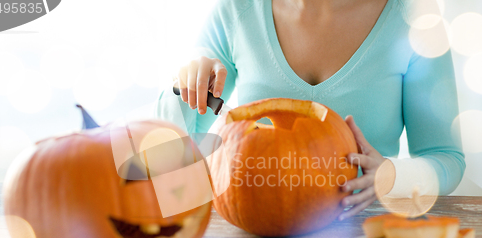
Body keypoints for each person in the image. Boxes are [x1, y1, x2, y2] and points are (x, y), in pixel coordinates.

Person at [155, 0, 465, 220]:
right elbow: (164, 160)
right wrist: (185, 82)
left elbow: (447, 159)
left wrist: (391, 176)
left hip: (363, 233)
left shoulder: (416, 19)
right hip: (251, 229)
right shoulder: (237, 10)